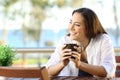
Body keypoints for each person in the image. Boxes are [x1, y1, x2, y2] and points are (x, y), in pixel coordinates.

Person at [46, 7, 116, 78]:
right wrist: (62, 64)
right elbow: (48, 71)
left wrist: (79, 64)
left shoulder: (103, 40)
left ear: (89, 28)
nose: (71, 28)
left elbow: (108, 71)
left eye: (77, 25)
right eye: (70, 22)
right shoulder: (65, 41)